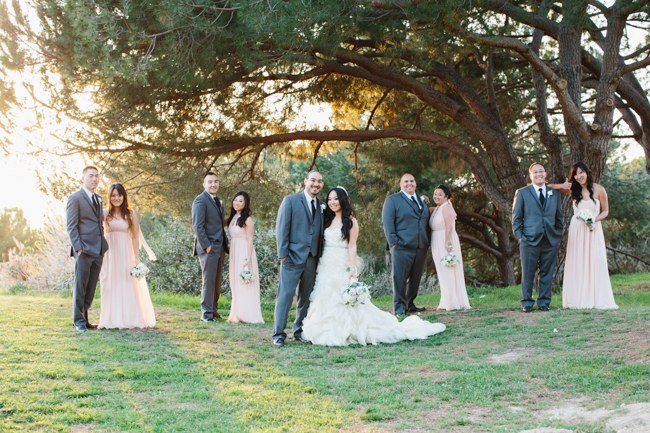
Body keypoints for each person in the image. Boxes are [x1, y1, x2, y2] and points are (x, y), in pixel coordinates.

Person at [302, 187, 446, 346]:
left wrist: (352, 269)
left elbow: (352, 247)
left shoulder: (350, 221)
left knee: (343, 298)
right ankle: (323, 328)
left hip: (341, 262)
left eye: (335, 199)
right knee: (324, 294)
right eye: (329, 199)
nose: (332, 202)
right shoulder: (326, 219)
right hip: (326, 263)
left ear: (342, 200)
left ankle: (348, 329)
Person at [548, 162, 618, 309]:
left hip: (594, 229)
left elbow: (605, 211)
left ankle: (596, 299)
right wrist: (563, 184)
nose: (579, 176)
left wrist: (593, 220)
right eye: (576, 174)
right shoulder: (573, 189)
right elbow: (547, 187)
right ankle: (577, 299)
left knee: (595, 262)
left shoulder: (599, 189)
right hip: (577, 230)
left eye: (581, 172)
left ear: (587, 172)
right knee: (577, 262)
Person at [273, 170, 324, 347]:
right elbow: (282, 229)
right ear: (305, 181)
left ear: (322, 185)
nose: (315, 184)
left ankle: (299, 330)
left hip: (312, 258)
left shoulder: (322, 205)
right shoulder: (291, 201)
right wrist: (283, 254)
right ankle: (278, 334)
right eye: (313, 180)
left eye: (319, 181)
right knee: (285, 296)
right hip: (292, 257)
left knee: (305, 297)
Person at [98, 183, 157, 329]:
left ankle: (131, 317)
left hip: (126, 252)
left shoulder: (130, 214)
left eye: (119, 195)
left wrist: (136, 258)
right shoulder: (105, 213)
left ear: (124, 196)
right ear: (109, 197)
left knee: (127, 283)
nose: (116, 198)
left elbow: (135, 237)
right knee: (111, 283)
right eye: (113, 195)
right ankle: (111, 319)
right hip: (110, 253)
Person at [512, 162, 563, 312]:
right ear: (531, 175)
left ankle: (544, 302)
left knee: (547, 273)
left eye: (541, 171)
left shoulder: (554, 193)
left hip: (550, 239)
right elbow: (516, 218)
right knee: (528, 273)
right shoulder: (522, 193)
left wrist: (557, 234)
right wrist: (520, 236)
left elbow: (559, 217)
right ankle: (527, 302)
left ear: (545, 174)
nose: (539, 174)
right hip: (529, 239)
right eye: (535, 172)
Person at [66, 166, 109, 333]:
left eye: (97, 176)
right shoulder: (75, 198)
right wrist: (78, 248)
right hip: (83, 250)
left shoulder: (98, 198)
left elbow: (99, 224)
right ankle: (78, 321)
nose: (95, 179)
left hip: (98, 250)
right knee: (80, 287)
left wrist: (102, 245)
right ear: (83, 178)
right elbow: (71, 226)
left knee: (90, 288)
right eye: (91, 176)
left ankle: (85, 319)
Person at [381, 173, 430, 316]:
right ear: (400, 184)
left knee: (416, 278)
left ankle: (410, 304)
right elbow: (387, 224)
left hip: (421, 246)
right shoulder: (392, 200)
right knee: (400, 278)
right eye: (406, 181)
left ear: (415, 183)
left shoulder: (422, 201)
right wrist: (394, 243)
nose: (409, 183)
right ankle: (399, 307)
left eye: (412, 181)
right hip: (401, 246)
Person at [192, 172, 228, 322]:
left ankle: (213, 310)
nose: (214, 184)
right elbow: (197, 226)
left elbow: (218, 223)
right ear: (204, 184)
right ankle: (206, 314)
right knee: (209, 281)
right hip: (209, 248)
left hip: (219, 247)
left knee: (217, 280)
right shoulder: (200, 201)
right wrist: (207, 246)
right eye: (210, 182)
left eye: (216, 182)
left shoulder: (217, 200)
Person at [429, 185, 470, 311]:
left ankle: (452, 302)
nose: (436, 196)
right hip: (436, 239)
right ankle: (446, 299)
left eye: (440, 194)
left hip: (445, 240)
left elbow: (449, 227)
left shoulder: (446, 207)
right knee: (442, 271)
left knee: (448, 269)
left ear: (446, 196)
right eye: (435, 194)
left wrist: (448, 243)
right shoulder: (437, 208)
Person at [226, 192, 264, 323]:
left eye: (240, 201)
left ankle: (247, 314)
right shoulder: (233, 217)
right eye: (235, 200)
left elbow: (249, 239)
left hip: (244, 251)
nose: (237, 203)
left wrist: (248, 258)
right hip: (234, 251)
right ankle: (237, 313)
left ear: (245, 203)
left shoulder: (247, 219)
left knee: (245, 282)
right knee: (235, 281)